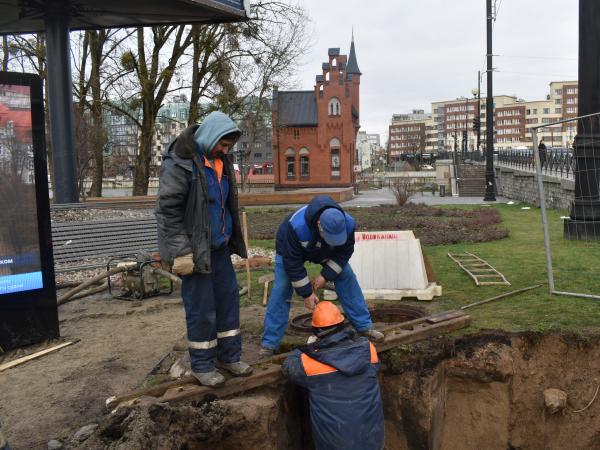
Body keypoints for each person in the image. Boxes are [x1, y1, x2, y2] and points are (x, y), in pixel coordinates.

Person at [156, 111, 252, 387]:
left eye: (229, 146)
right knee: (202, 309)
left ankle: (229, 357)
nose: (226, 150)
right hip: (194, 251)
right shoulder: (180, 163)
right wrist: (180, 252)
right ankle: (202, 365)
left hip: (219, 247)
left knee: (228, 301)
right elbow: (167, 211)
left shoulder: (220, 161)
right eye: (223, 144)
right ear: (211, 137)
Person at [259, 195, 384, 359]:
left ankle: (364, 326)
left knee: (347, 276)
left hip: (326, 252)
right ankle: (269, 344)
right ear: (319, 225)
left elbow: (344, 253)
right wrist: (306, 293)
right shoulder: (296, 226)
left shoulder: (348, 223)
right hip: (290, 251)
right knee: (282, 286)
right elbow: (292, 263)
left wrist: (325, 276)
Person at [282, 301, 385, 450]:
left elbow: (287, 367)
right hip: (373, 443)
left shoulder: (309, 363)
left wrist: (307, 347)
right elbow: (376, 366)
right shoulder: (368, 350)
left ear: (316, 332)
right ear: (343, 325)